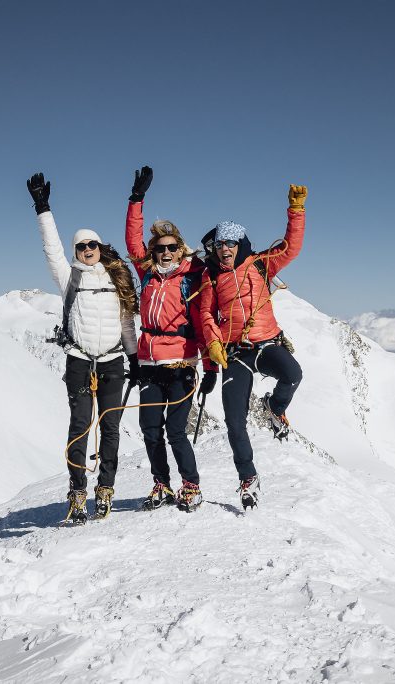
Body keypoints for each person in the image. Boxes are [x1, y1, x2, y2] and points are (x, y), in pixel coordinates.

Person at [26, 172, 140, 523]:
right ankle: (77, 493)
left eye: (92, 246)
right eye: (81, 247)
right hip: (79, 361)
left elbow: (126, 323)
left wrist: (133, 359)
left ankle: (105, 490)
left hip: (111, 363)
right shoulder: (68, 276)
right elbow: (51, 248)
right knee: (80, 426)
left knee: (110, 427)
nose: (87, 251)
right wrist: (42, 208)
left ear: (100, 247)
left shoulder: (115, 277)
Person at [199, 184, 307, 510]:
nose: (225, 249)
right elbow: (205, 313)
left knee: (292, 375)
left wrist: (296, 211)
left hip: (267, 342)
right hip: (236, 352)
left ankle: (275, 408)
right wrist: (214, 342)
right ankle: (247, 477)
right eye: (220, 244)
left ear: (241, 244)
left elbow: (292, 248)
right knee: (234, 419)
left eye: (231, 243)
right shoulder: (211, 276)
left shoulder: (261, 264)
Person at [123, 166, 215, 513]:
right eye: (159, 247)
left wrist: (209, 368)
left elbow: (204, 321)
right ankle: (161, 484)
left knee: (176, 430)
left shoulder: (192, 276)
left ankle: (191, 485)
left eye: (171, 247)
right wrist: (136, 200)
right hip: (149, 365)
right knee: (150, 430)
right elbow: (133, 242)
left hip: (180, 364)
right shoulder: (146, 273)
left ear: (180, 250)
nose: (165, 252)